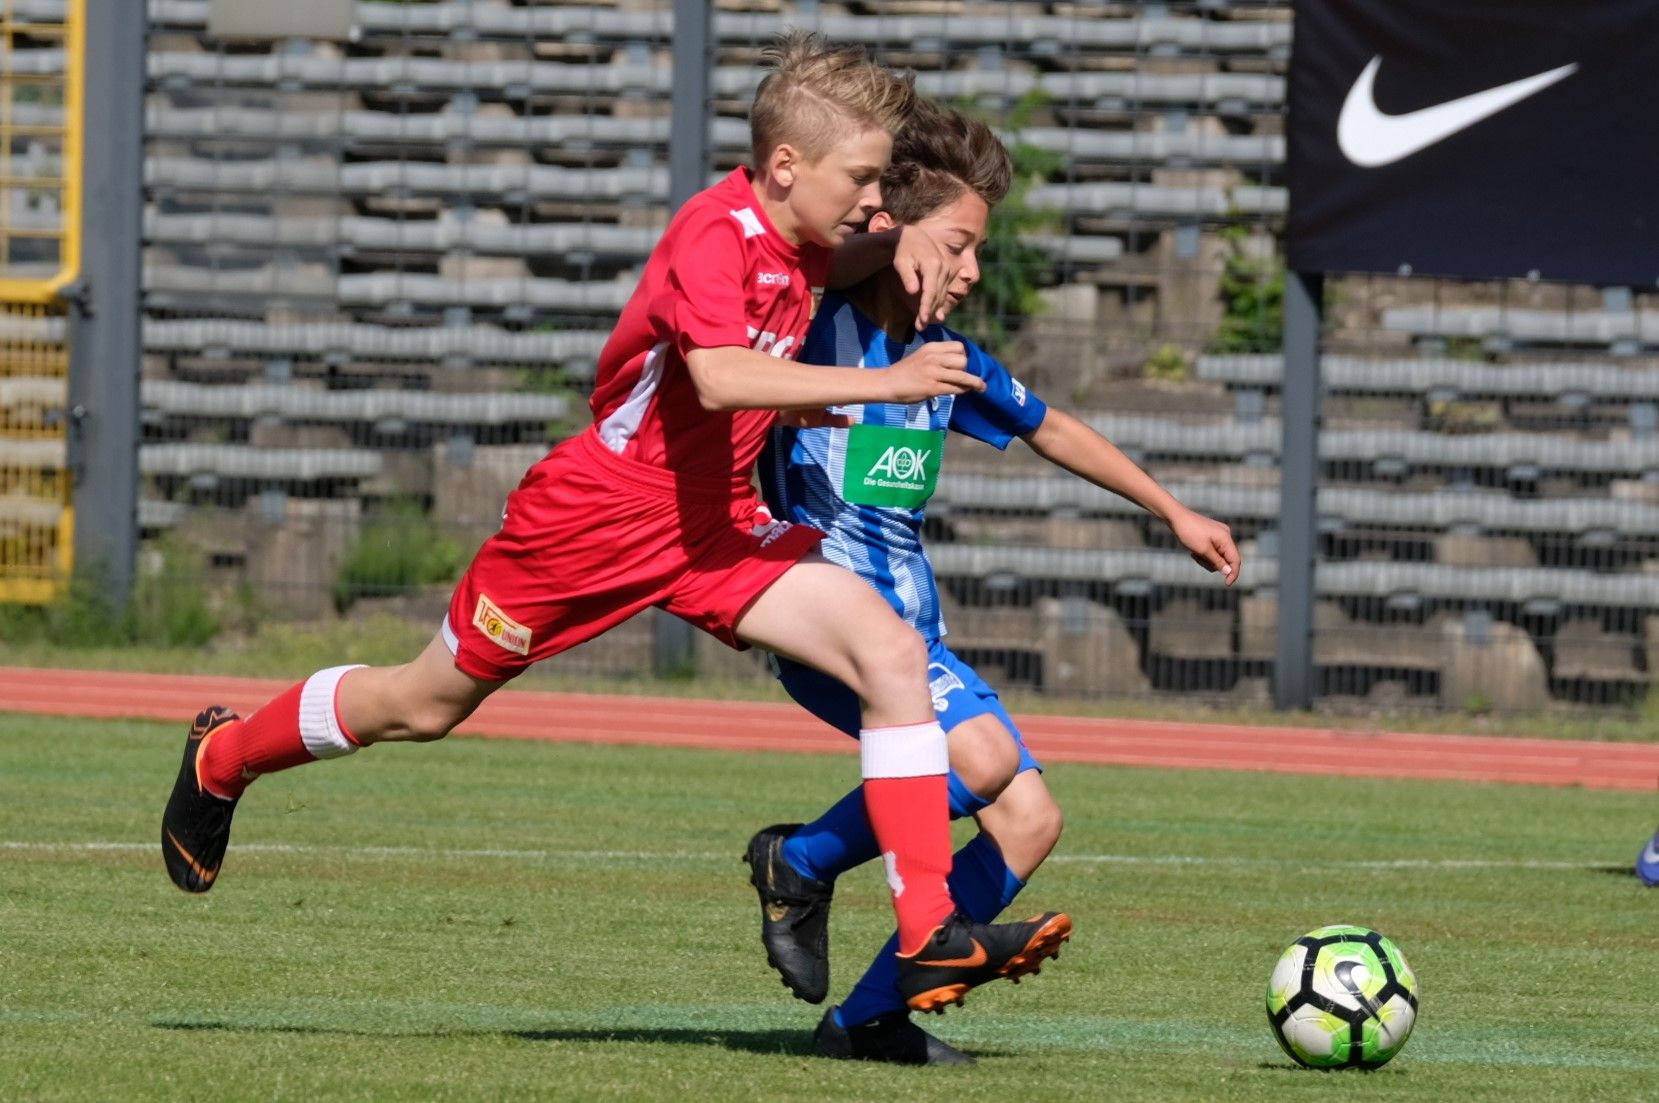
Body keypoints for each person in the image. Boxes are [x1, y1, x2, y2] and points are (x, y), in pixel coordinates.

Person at [160, 32, 1072, 1015]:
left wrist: (901, 241)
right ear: (784, 166)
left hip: (716, 528)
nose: (872, 198)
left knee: (891, 652)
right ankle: (225, 755)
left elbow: (842, 266)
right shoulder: (712, 235)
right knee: (422, 705)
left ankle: (926, 927)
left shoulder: (808, 237)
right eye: (861, 179)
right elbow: (719, 376)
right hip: (593, 521)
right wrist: (882, 378)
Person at [743, 98, 1241, 1064]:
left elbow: (1048, 426)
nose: (970, 270)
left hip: (913, 635)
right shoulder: (805, 331)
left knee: (1029, 818)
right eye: (957, 246)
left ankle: (869, 1019)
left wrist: (1171, 509)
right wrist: (879, 250)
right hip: (822, 619)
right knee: (975, 763)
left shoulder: (947, 359)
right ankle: (796, 860)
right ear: (891, 232)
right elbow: (799, 266)